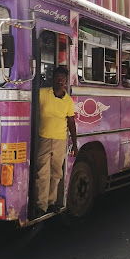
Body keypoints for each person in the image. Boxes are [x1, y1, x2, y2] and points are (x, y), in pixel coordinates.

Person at [34, 66, 78, 218]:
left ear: (65, 82)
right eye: (58, 78)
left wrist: (75, 144)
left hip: (60, 140)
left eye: (63, 79)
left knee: (56, 173)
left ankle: (51, 202)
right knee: (42, 173)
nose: (60, 81)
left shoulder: (68, 101)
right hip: (44, 138)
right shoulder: (42, 94)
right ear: (53, 79)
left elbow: (71, 123)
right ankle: (41, 205)